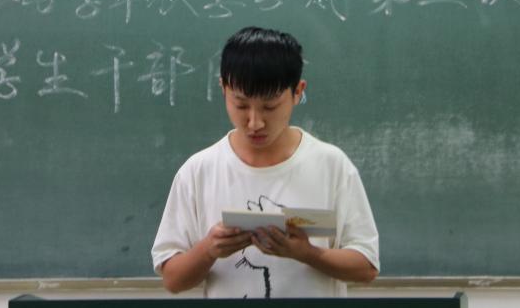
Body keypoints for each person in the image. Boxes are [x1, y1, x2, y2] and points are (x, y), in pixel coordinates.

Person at [151, 26, 379, 297]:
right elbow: (173, 280)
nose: (255, 122)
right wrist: (209, 249)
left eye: (270, 107)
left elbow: (366, 267)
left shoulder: (331, 165)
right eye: (241, 105)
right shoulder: (199, 170)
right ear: (223, 88)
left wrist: (308, 253)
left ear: (298, 92)